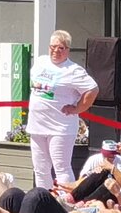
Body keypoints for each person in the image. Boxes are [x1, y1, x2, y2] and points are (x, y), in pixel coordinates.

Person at [27, 29, 99, 190]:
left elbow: (93, 89)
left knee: (61, 167)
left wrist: (77, 108)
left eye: (61, 48)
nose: (56, 51)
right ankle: (44, 199)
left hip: (60, 127)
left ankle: (67, 204)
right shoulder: (40, 62)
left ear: (68, 50)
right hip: (37, 124)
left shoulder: (73, 70)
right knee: (40, 168)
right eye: (53, 47)